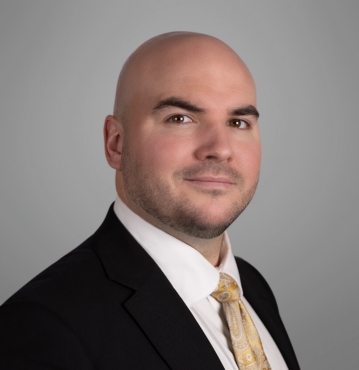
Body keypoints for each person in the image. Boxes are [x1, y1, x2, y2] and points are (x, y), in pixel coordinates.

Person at [0, 32, 300, 369]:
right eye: (180, 118)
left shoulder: (253, 288)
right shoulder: (41, 329)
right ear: (116, 143)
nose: (220, 148)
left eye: (238, 122)